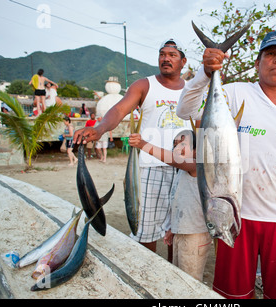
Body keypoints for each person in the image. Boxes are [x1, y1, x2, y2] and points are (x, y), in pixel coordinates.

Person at [176, 29, 276, 299]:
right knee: (233, 296)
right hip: (236, 218)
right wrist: (205, 74)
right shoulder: (233, 94)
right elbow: (185, 110)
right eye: (271, 54)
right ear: (258, 63)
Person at [73, 39, 191, 260]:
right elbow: (118, 110)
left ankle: (175, 278)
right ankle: (148, 274)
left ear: (183, 61)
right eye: (162, 54)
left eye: (172, 55)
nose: (166, 58)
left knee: (179, 230)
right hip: (149, 167)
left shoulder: (192, 89)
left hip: (183, 168)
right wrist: (99, 130)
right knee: (145, 230)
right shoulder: (143, 85)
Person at [129, 129, 211, 282]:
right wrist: (173, 227)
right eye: (174, 145)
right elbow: (179, 201)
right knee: (179, 275)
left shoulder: (197, 167)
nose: (176, 148)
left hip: (196, 235)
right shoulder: (181, 172)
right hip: (182, 232)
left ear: (196, 150)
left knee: (190, 282)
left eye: (182, 144)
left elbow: (173, 159)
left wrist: (143, 144)